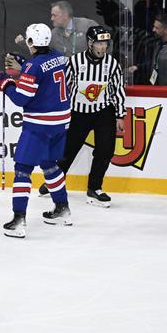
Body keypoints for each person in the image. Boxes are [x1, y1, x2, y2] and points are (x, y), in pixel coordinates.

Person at [0, 24, 72, 238]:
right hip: (61, 122)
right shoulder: (59, 57)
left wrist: (6, 82)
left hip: (40, 124)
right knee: (48, 164)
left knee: (22, 168)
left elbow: (21, 98)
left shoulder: (33, 66)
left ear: (30, 42)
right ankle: (63, 209)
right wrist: (25, 64)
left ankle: (18, 220)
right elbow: (42, 71)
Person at [39, 26, 126, 207]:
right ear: (90, 43)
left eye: (105, 43)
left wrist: (120, 115)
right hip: (78, 113)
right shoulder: (75, 62)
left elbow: (117, 90)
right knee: (68, 150)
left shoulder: (112, 64)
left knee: (105, 150)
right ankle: (54, 181)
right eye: (99, 43)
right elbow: (64, 86)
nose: (102, 47)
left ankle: (94, 188)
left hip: (103, 111)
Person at [132, 12, 167, 85]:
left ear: (166, 30)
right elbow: (158, 62)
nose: (153, 30)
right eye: (154, 26)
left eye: (157, 28)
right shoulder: (160, 44)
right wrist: (138, 67)